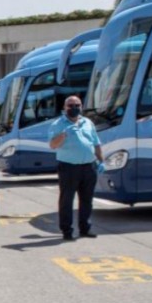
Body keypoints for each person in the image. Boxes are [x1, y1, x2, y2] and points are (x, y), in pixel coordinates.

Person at [48, 95, 104, 241]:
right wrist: (64, 134)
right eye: (71, 106)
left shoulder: (87, 122)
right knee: (67, 200)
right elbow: (53, 145)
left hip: (88, 166)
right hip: (69, 167)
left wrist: (101, 161)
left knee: (87, 199)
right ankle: (67, 230)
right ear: (64, 108)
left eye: (77, 105)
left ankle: (85, 228)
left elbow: (96, 143)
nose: (74, 108)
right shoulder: (58, 124)